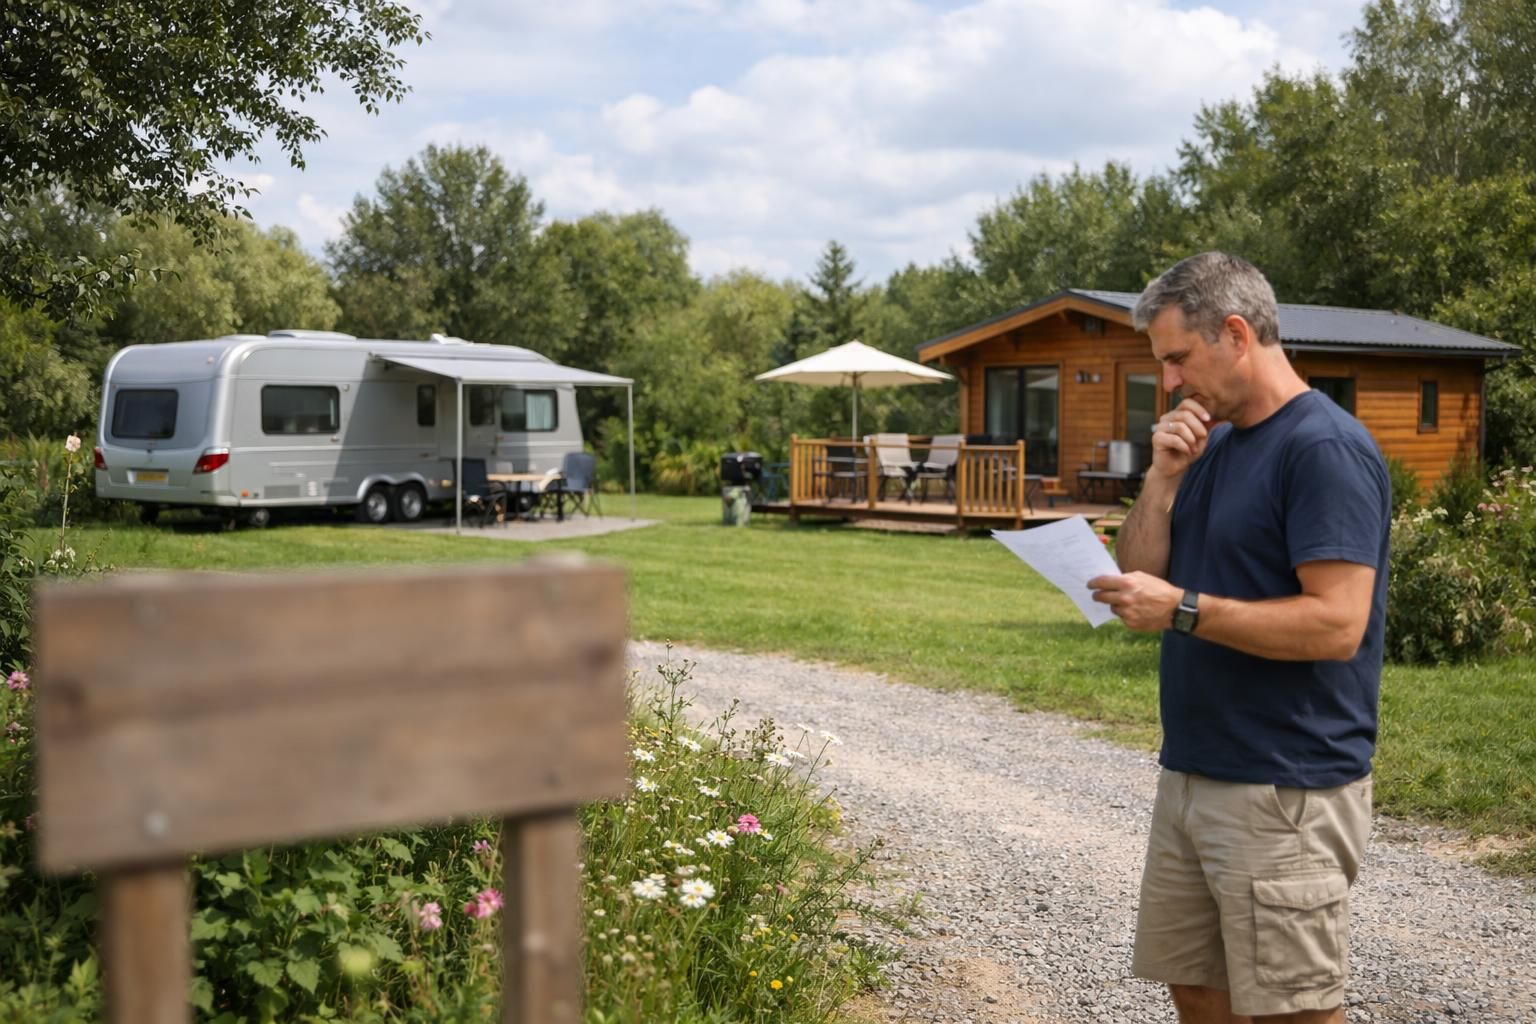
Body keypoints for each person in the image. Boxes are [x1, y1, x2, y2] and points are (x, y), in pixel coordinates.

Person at [1087, 252, 1390, 1024]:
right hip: (1193, 771)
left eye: (1178, 358)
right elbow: (1141, 571)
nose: (1172, 383)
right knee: (1196, 991)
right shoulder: (1211, 446)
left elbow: (1336, 623)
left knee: (1292, 1010)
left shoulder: (1323, 448)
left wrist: (1184, 610)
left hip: (1284, 784)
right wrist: (1160, 479)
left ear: (1234, 333)